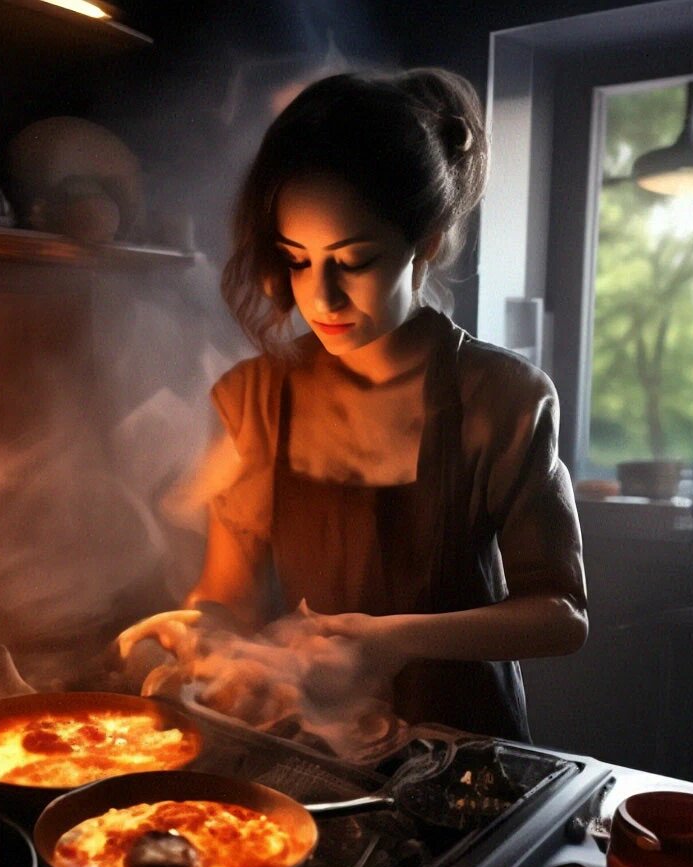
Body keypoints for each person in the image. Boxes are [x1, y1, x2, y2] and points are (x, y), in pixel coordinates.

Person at [177, 67, 587, 743]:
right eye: (298, 260)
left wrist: (393, 640)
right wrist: (204, 638)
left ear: (423, 243)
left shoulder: (502, 399)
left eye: (355, 259)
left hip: (465, 759)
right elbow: (227, 596)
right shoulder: (256, 397)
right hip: (312, 758)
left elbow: (562, 616)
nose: (322, 298)